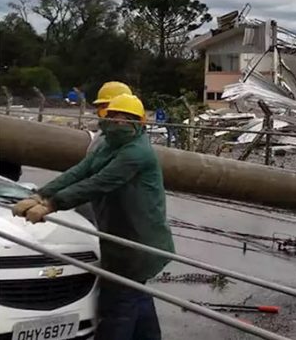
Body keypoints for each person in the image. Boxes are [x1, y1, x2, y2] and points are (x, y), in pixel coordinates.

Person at [12, 93, 175, 340]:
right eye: (114, 117)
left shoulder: (136, 153)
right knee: (136, 297)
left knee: (117, 307)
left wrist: (52, 205)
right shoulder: (109, 144)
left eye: (126, 119)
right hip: (121, 235)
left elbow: (98, 183)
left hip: (138, 241)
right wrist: (42, 195)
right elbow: (81, 171)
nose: (118, 123)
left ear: (139, 123)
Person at [90, 81, 133, 154]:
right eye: (103, 111)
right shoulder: (101, 138)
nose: (106, 117)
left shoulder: (131, 147)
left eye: (111, 112)